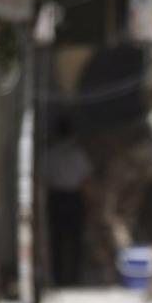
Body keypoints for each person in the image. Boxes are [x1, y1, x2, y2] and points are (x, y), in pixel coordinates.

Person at [45, 119, 93, 286]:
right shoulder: (77, 153)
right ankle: (74, 278)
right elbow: (85, 180)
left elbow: (45, 179)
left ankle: (59, 278)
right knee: (75, 240)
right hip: (73, 199)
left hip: (57, 199)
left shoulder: (51, 153)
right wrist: (89, 202)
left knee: (57, 241)